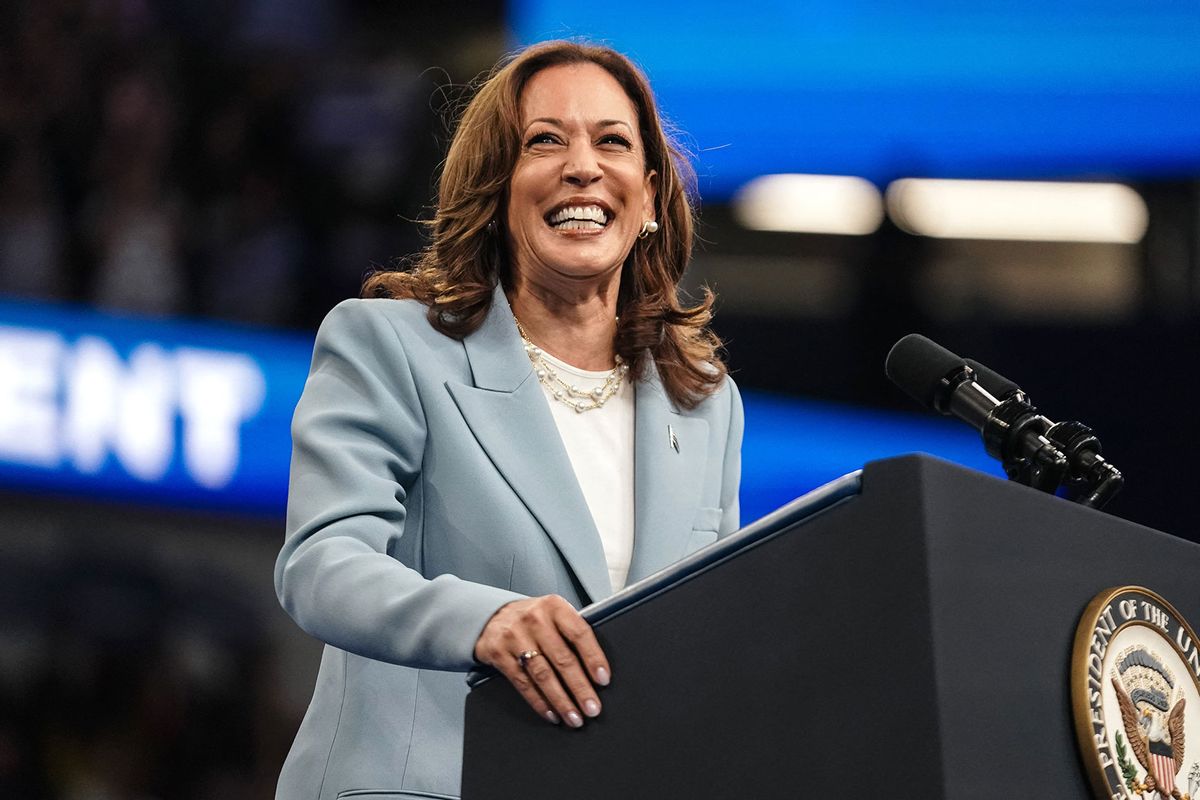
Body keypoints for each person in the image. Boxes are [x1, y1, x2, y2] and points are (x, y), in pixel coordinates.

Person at [275, 40, 743, 800]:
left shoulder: (705, 401)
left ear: (651, 196)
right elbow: (322, 563)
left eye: (612, 141)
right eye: (545, 141)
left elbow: (712, 637)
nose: (583, 166)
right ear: (497, 189)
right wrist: (483, 620)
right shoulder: (391, 345)